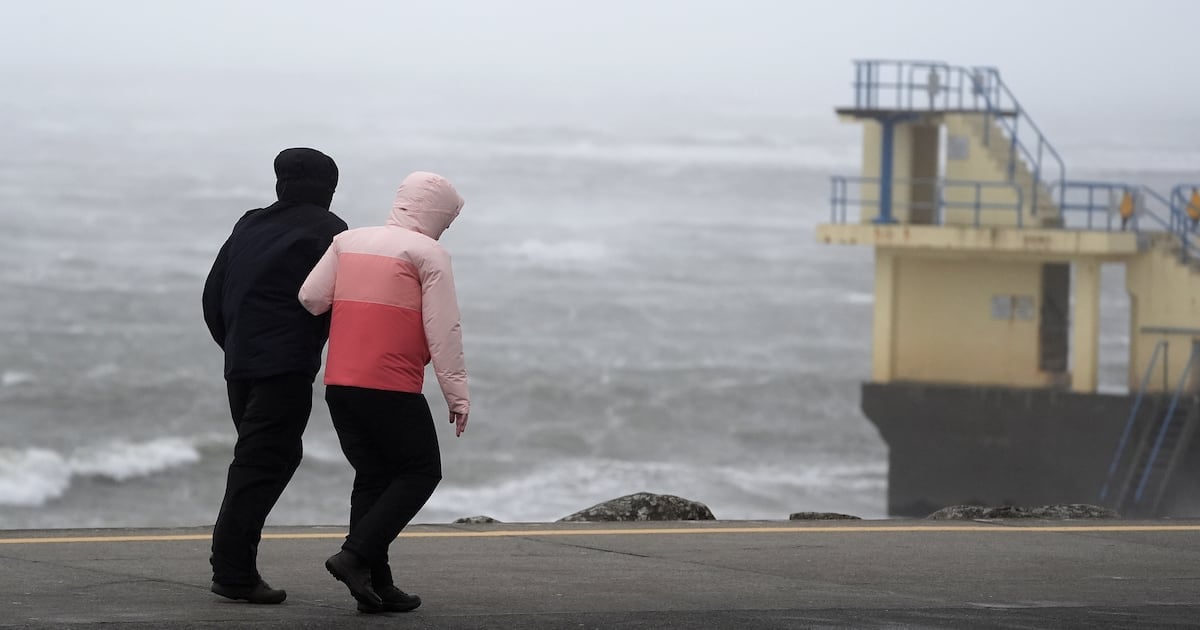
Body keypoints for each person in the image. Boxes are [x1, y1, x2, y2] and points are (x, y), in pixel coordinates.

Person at [299, 171, 470, 614]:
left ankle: (376, 586)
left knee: (373, 477)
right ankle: (354, 557)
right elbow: (443, 330)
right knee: (420, 471)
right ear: (436, 215)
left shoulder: (347, 241)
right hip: (389, 384)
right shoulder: (428, 253)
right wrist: (457, 395)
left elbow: (312, 298)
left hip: (340, 382)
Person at [201, 147, 348, 604]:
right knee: (262, 464)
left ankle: (234, 565)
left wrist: (238, 346)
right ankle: (233, 573)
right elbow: (335, 303)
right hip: (283, 368)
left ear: (280, 183)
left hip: (241, 363)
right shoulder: (331, 231)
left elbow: (213, 294)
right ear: (328, 189)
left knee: (265, 459)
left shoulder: (250, 223)